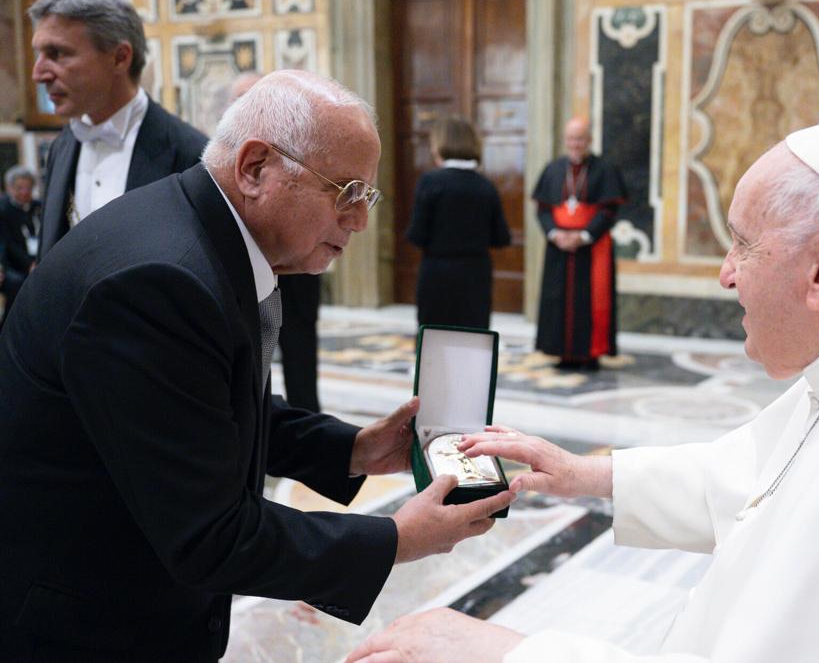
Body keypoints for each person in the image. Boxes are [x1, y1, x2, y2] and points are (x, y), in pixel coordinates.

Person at [346, 121, 819, 662]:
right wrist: (590, 473)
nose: (726, 274)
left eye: (742, 244)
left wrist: (502, 652)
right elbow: (757, 478)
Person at [0, 70, 514, 662]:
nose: (359, 220)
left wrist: (355, 449)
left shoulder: (196, 235)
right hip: (84, 624)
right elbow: (212, 535)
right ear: (254, 168)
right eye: (345, 190)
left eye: (366, 196)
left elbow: (203, 407)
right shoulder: (159, 280)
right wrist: (397, 538)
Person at [28, 0, 207, 262]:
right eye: (38, 54)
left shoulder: (191, 154)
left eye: (56, 53)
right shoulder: (62, 147)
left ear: (120, 57)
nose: (38, 74)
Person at [232, 70, 322, 411]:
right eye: (240, 100)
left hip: (295, 274)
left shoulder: (302, 150)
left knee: (300, 352)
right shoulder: (223, 159)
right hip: (242, 274)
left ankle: (306, 418)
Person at [532, 116, 626, 370]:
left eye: (580, 138)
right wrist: (555, 234)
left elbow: (608, 211)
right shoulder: (553, 169)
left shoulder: (604, 169)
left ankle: (590, 355)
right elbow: (542, 210)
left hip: (592, 247)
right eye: (572, 138)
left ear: (590, 140)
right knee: (557, 300)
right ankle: (562, 353)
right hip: (558, 247)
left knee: (590, 300)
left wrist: (583, 235)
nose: (576, 143)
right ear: (566, 140)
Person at [407, 115, 511, 328]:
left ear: (441, 145)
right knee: (472, 337)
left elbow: (417, 235)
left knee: (435, 338)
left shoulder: (430, 182)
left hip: (437, 273)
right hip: (476, 273)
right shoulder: (485, 185)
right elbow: (501, 237)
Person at [0, 166, 42, 323]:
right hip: (13, 265)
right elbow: (7, 245)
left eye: (28, 188)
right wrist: (28, 264)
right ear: (9, 188)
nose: (25, 192)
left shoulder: (39, 207)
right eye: (19, 188)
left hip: (38, 260)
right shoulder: (3, 209)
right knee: (19, 284)